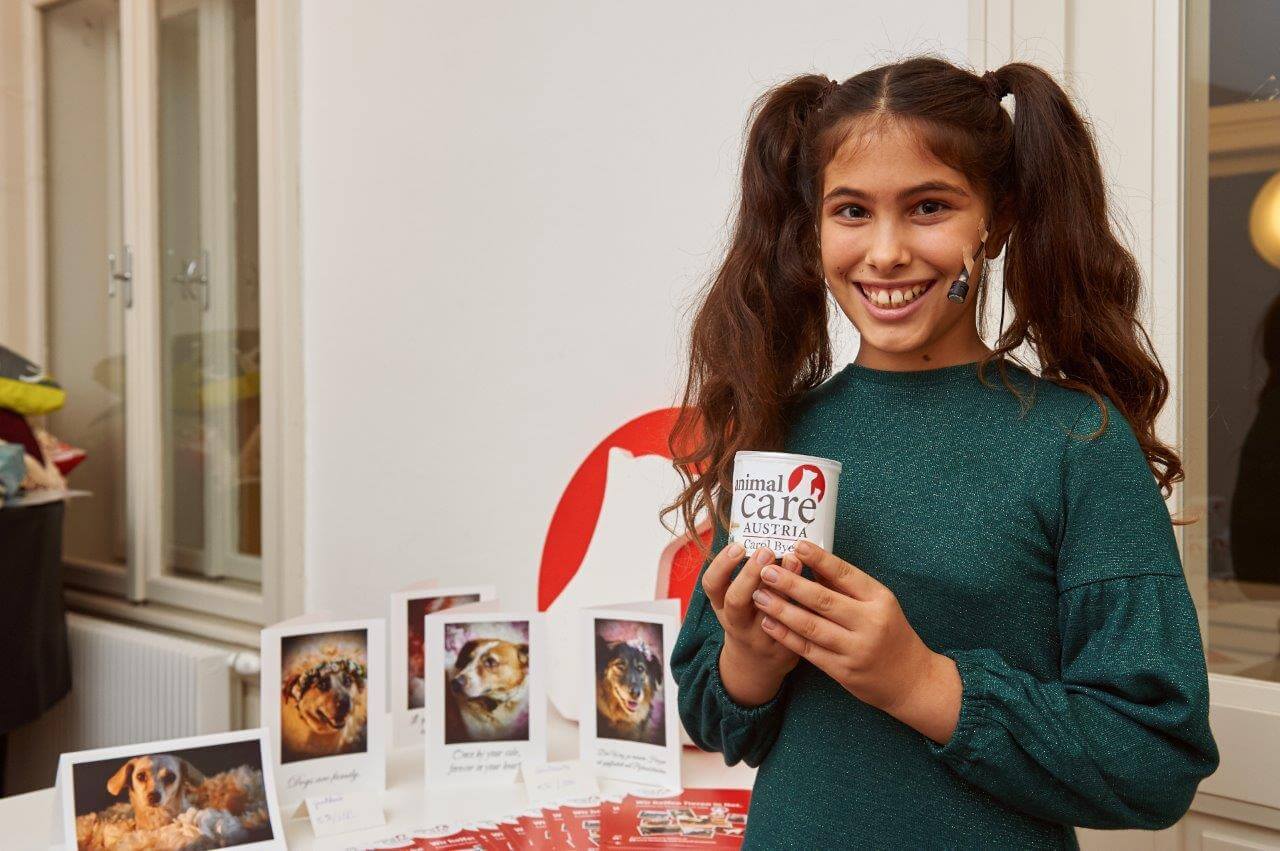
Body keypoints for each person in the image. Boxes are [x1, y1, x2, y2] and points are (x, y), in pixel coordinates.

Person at [664, 56, 1220, 850]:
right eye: (851, 211)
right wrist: (750, 657)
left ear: (997, 218)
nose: (886, 251)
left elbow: (1156, 758)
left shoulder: (1075, 443)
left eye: (928, 206)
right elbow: (714, 717)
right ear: (813, 228)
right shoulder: (778, 431)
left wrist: (920, 681)